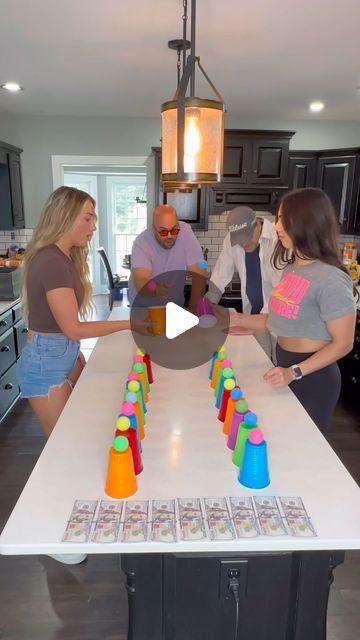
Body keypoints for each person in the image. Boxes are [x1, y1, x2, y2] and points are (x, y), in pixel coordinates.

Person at [214, 188, 356, 434]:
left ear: (306, 223)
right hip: (286, 369)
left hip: (314, 378)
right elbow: (277, 320)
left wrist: (294, 372)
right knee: (284, 441)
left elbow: (344, 344)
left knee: (304, 448)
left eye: (283, 219)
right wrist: (236, 318)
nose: (277, 226)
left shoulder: (331, 278)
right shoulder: (291, 269)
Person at [17, 186, 152, 439]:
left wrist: (74, 351)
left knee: (79, 433)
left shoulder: (62, 257)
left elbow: (66, 329)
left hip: (60, 353)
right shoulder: (52, 261)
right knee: (65, 445)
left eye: (94, 219)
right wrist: (129, 324)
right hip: (46, 364)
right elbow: (73, 328)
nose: (93, 227)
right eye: (87, 218)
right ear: (65, 216)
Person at [206, 206, 281, 359]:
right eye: (239, 240)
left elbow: (280, 290)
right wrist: (207, 305)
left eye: (246, 237)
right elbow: (221, 274)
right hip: (251, 317)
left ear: (257, 225)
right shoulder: (232, 240)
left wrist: (257, 323)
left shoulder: (277, 240)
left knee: (272, 364)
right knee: (253, 362)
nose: (243, 243)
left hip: (274, 318)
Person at [128, 204, 206, 312]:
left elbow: (199, 272)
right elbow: (140, 281)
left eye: (174, 230)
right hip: (143, 308)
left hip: (174, 307)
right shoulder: (142, 243)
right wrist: (154, 288)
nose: (170, 236)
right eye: (163, 232)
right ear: (154, 229)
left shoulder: (186, 232)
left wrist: (193, 307)